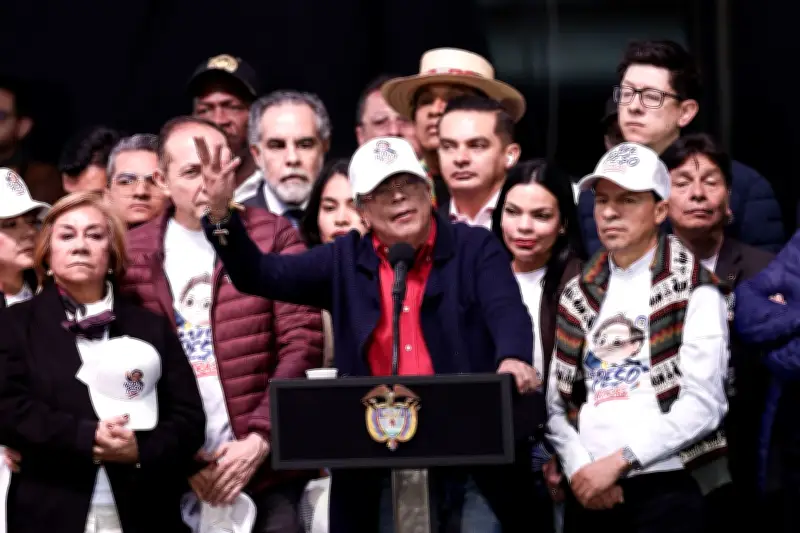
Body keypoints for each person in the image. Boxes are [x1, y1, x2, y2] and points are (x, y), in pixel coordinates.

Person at [196, 134, 538, 532]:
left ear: (428, 191)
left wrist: (513, 356)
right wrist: (220, 214)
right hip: (375, 453)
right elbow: (258, 274)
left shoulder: (474, 247)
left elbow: (505, 308)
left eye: (407, 183)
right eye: (382, 191)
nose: (399, 197)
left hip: (469, 448)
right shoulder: (343, 259)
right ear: (362, 210)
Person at [118, 116, 323, 533]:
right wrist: (181, 457)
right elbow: (123, 367)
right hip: (171, 473)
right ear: (162, 181)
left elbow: (303, 343)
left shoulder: (272, 235)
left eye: (218, 170)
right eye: (193, 172)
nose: (209, 185)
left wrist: (261, 439)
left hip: (265, 469)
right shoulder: (131, 253)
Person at [547, 142, 729, 533]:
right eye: (602, 200)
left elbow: (705, 404)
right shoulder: (578, 292)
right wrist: (581, 470)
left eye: (627, 200)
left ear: (660, 211)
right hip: (589, 487)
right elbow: (556, 405)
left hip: (668, 484)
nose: (609, 212)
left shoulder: (695, 287)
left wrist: (619, 462)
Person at [0, 191, 206, 533]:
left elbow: (189, 420)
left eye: (95, 235)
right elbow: (8, 410)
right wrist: (87, 436)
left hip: (145, 509)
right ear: (47, 253)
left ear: (112, 254)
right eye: (67, 236)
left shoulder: (150, 327)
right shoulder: (13, 325)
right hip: (50, 508)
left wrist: (139, 449)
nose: (80, 246)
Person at [661, 133, 775, 532]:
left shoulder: (764, 270)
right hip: (661, 454)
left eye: (710, 182)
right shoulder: (636, 270)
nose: (697, 193)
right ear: (661, 200)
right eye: (682, 183)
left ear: (728, 200)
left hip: (743, 445)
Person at [492, 159, 587, 533]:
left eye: (541, 215)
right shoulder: (483, 278)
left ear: (563, 223)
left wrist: (561, 452)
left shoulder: (585, 282)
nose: (524, 227)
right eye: (513, 212)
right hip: (497, 451)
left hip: (565, 447)